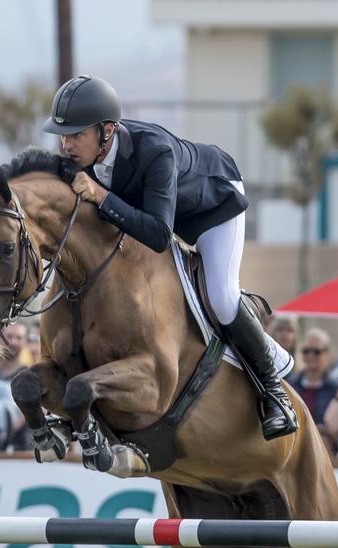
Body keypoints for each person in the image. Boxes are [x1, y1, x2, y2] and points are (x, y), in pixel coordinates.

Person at [44, 74, 296, 439]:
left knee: (222, 298)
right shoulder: (81, 158)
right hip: (162, 214)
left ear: (107, 131)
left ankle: (274, 392)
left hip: (213, 209)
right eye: (63, 136)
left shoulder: (154, 151)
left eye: (75, 135)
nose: (66, 145)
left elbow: (159, 236)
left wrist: (100, 196)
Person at [287, 328, 338, 428]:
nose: (310, 356)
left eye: (316, 351)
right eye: (306, 351)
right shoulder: (290, 386)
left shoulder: (336, 389)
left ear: (327, 354)